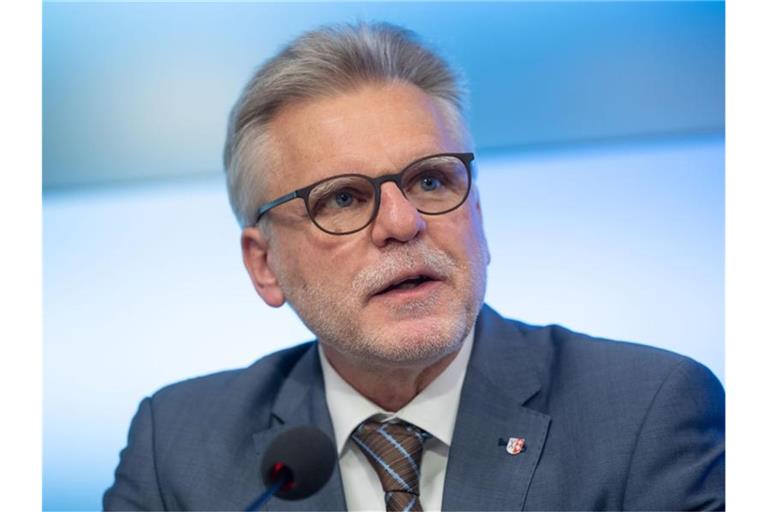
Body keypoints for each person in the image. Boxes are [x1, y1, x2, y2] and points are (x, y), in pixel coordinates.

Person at [104, 22, 725, 511]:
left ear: (477, 212)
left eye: (431, 180)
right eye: (342, 198)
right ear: (264, 265)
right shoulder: (177, 447)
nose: (403, 223)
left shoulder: (648, 410)